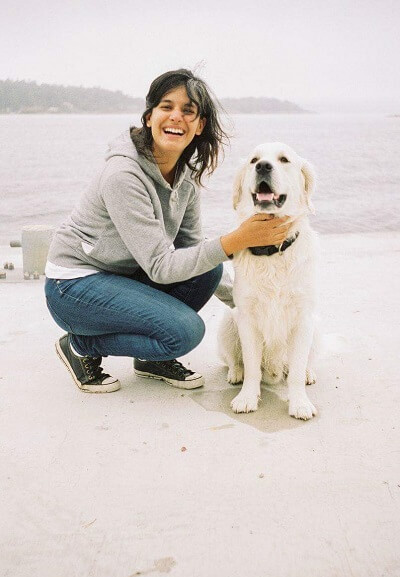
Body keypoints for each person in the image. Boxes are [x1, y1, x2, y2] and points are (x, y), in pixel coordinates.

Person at [44, 68, 292, 393]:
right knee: (184, 333)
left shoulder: (184, 175)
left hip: (124, 273)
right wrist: (238, 240)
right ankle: (80, 346)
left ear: (200, 125)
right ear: (149, 117)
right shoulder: (123, 175)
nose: (176, 116)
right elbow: (162, 267)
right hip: (74, 285)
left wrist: (244, 301)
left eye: (188, 110)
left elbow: (192, 248)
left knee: (209, 270)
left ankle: (150, 359)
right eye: (166, 106)